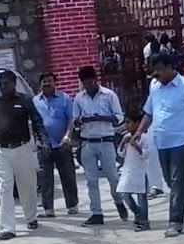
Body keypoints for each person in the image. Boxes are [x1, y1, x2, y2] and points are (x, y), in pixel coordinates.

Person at [131, 53, 184, 238]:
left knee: (177, 182)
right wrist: (139, 131)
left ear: (171, 68)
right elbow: (149, 112)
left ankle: (175, 223)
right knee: (171, 182)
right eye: (154, 69)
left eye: (160, 69)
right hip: (162, 142)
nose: (156, 73)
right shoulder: (154, 86)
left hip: (182, 141)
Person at [0, 71, 46, 241]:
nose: (2, 87)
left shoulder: (24, 100)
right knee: (5, 188)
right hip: (1, 151)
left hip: (22, 148)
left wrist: (43, 140)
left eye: (6, 83)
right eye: (0, 84)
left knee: (27, 186)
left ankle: (31, 217)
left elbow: (37, 121)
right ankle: (7, 227)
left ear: (14, 84)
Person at [73, 66, 127, 222]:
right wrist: (83, 120)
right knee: (91, 179)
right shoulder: (79, 98)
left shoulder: (109, 96)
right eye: (85, 84)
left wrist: (101, 117)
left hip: (106, 140)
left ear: (95, 80)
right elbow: (75, 121)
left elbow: (119, 118)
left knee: (112, 176)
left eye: (90, 83)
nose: (88, 86)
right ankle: (96, 212)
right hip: (88, 142)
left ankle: (119, 201)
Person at [32, 72, 81, 219]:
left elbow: (71, 119)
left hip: (62, 144)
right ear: (40, 84)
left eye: (49, 81)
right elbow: (34, 123)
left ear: (55, 83)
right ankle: (48, 209)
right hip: (44, 146)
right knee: (45, 178)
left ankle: (72, 205)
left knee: (68, 175)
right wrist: (41, 142)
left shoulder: (64, 98)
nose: (47, 84)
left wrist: (67, 137)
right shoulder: (35, 101)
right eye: (44, 81)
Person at [116, 109, 156, 231]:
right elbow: (121, 154)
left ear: (137, 123)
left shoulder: (144, 137)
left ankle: (144, 221)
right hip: (128, 170)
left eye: (129, 122)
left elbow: (146, 155)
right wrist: (123, 143)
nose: (126, 125)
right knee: (125, 194)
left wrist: (136, 146)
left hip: (141, 171)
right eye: (125, 123)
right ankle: (138, 213)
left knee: (141, 197)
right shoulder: (127, 136)